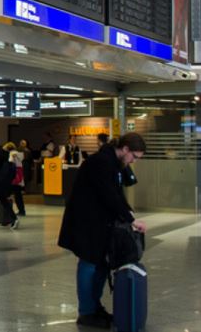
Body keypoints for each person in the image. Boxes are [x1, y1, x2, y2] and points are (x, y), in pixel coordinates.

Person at [58, 133, 148, 329]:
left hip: (97, 223)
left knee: (99, 265)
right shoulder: (101, 162)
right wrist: (130, 218)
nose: (134, 161)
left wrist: (130, 214)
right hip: (86, 224)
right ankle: (86, 312)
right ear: (125, 149)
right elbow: (109, 194)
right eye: (134, 156)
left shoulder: (112, 162)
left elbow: (116, 194)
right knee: (89, 265)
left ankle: (94, 307)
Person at [5, 142, 27, 217]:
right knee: (18, 194)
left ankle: (7, 210)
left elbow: (10, 162)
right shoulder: (19, 154)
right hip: (19, 175)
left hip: (13, 175)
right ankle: (22, 210)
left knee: (7, 194)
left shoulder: (11, 154)